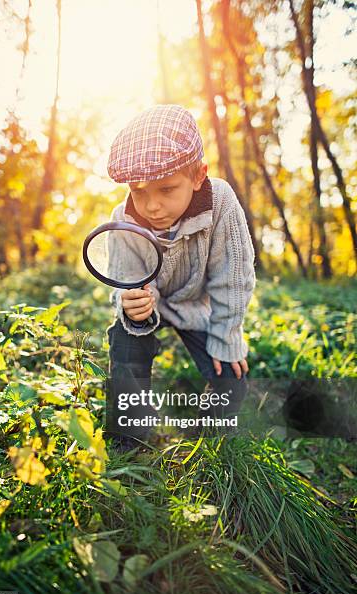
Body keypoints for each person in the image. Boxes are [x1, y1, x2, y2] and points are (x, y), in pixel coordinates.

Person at [105, 104, 256, 445]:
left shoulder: (221, 203)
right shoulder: (123, 218)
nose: (152, 205)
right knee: (125, 344)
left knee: (231, 377)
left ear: (198, 175)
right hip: (149, 310)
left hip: (195, 307)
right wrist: (130, 304)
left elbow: (232, 279)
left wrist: (226, 337)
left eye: (167, 189)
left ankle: (207, 438)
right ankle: (130, 440)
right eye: (138, 191)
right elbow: (122, 280)